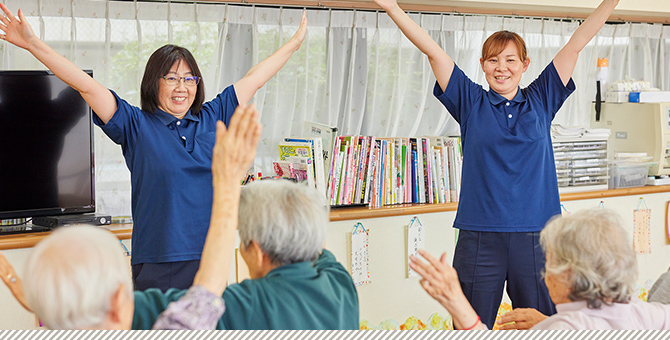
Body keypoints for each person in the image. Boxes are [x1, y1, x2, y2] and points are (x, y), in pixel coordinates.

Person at [0, 4, 307, 292]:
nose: (182, 87)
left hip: (211, 256)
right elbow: (85, 86)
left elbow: (255, 79)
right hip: (157, 261)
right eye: (171, 78)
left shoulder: (213, 117)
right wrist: (32, 44)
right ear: (153, 83)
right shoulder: (136, 125)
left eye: (189, 79)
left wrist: (293, 46)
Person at [373, 0, 620, 328]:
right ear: (483, 64)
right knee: (469, 325)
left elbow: (576, 44)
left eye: (510, 60)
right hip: (479, 237)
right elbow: (432, 51)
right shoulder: (470, 100)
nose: (501, 67)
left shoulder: (542, 97)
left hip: (538, 236)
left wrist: (613, 1)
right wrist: (391, 7)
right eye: (493, 60)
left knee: (543, 325)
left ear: (524, 64)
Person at [0, 104, 262, 330]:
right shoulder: (173, 326)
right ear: (117, 300)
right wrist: (227, 181)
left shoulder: (60, 319)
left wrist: (28, 293)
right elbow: (208, 290)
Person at [132, 179, 360, 330]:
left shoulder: (241, 307)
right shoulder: (340, 283)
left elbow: (139, 309)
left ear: (259, 253)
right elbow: (318, 248)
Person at [409, 208, 670, 330]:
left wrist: (456, 303)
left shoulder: (562, 328)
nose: (545, 273)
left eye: (550, 262)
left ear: (570, 274)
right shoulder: (644, 314)